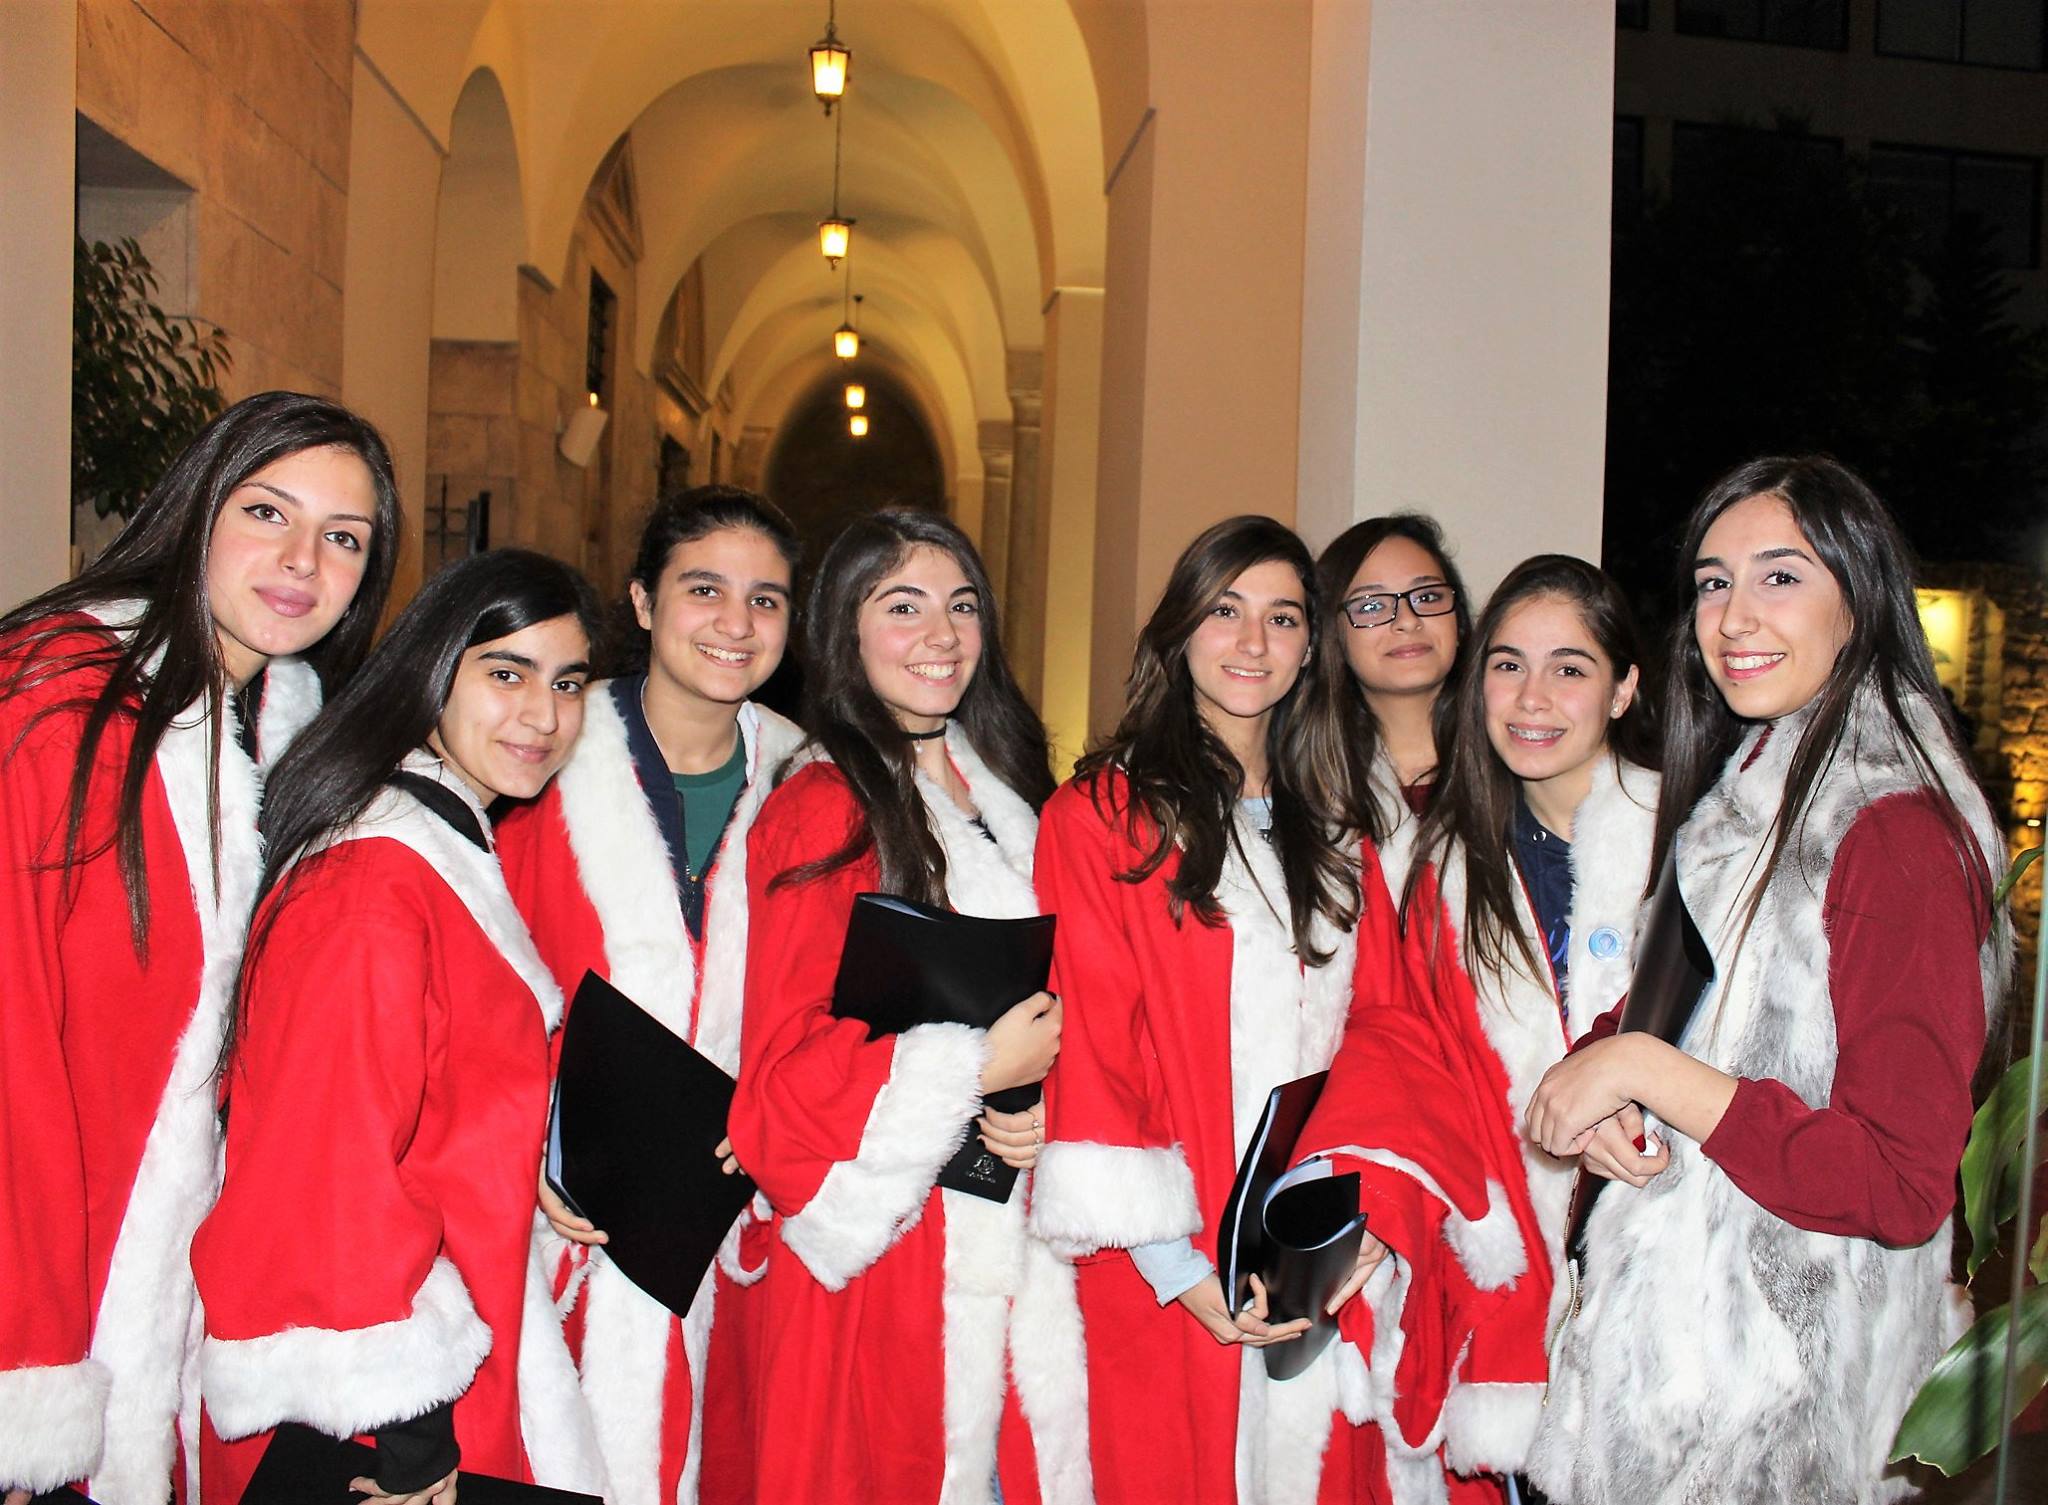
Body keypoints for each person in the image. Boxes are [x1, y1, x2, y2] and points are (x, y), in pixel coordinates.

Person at [1524, 457, 2011, 1504]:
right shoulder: (1749, 797)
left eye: (1779, 576)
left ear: (1859, 599)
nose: (1734, 616)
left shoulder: (1893, 831)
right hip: (1671, 1394)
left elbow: (1898, 1183)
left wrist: (1646, 1069)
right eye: (1713, 582)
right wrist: (1612, 1085)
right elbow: (1680, 1015)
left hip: (1780, 1430)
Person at [1031, 515, 1494, 1503]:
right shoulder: (1103, 815)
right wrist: (1175, 1263)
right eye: (1224, 611)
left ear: (1309, 645)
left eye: (1282, 617)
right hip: (1160, 1260)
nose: (1253, 641)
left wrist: (1365, 1211)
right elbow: (1092, 1045)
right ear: (1178, 631)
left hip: (1311, 1253)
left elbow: (1386, 1028)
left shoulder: (1335, 825)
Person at [0, 392, 398, 1505]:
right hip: (51, 1307)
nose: (303, 559)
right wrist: (21, 1372)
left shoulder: (283, 736)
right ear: (197, 506)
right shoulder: (57, 704)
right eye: (268, 511)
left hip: (162, 1309)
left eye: (344, 537)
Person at [191, 550, 611, 1505]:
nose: (543, 715)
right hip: (372, 1396)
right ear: (431, 673)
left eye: (567, 682)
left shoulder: (439, 838)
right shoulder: (373, 878)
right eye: (506, 673)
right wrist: (409, 1433)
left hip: (449, 1325)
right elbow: (323, 1166)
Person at [727, 509, 1087, 1505]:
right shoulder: (823, 806)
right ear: (844, 627)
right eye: (903, 606)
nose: (942, 634)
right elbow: (781, 1085)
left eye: (962, 606)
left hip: (1011, 1244)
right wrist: (975, 1068)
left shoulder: (1011, 792)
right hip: (889, 1265)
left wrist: (1035, 1101)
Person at [496, 486, 805, 1505]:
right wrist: (526, 1141)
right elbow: (470, 986)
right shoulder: (540, 753)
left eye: (765, 599)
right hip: (548, 1227)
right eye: (704, 589)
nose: (735, 623)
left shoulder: (809, 783)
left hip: (731, 1236)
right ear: (641, 599)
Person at [1330, 555, 1661, 1496]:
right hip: (1515, 1288)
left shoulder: (1699, 842)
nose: (1532, 697)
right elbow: (1401, 1054)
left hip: (1676, 1278)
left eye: (1570, 667)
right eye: (1508, 664)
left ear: (1624, 687)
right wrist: (1374, 1204)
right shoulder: (1431, 870)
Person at [1314, 513, 1472, 840]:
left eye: (1427, 597)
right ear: (1333, 634)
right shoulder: (1303, 785)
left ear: (1458, 621)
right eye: (1372, 606)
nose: (1408, 621)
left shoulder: (1514, 765)